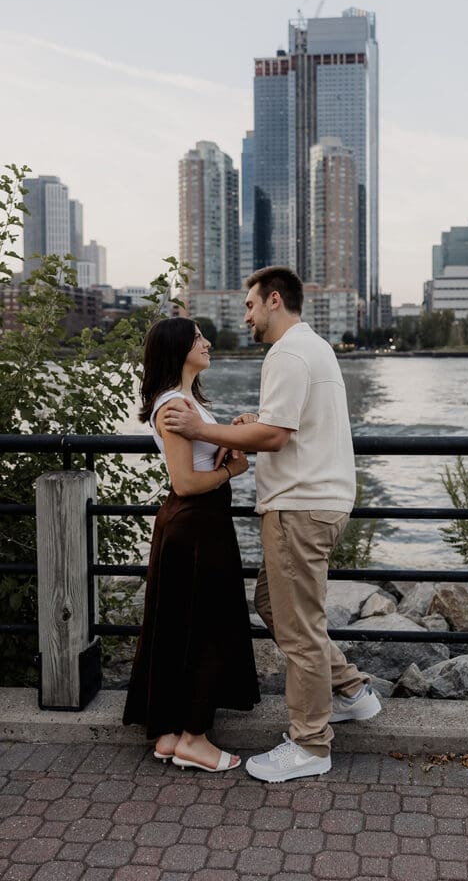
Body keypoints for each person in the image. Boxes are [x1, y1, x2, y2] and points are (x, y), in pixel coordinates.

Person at [164, 266, 380, 782]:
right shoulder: (315, 348)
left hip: (299, 507)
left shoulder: (285, 353)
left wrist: (202, 427)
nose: (246, 315)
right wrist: (248, 427)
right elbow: (283, 425)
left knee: (299, 629)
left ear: (274, 300)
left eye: (250, 305)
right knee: (273, 605)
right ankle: (349, 691)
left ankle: (310, 744)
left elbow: (278, 436)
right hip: (324, 500)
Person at [122, 317, 259, 772]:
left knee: (178, 627)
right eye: (198, 337)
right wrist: (231, 472)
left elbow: (198, 457)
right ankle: (194, 739)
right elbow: (183, 482)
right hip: (197, 526)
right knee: (207, 631)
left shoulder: (184, 402)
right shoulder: (175, 406)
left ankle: (167, 733)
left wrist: (230, 437)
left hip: (192, 526)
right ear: (179, 348)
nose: (208, 342)